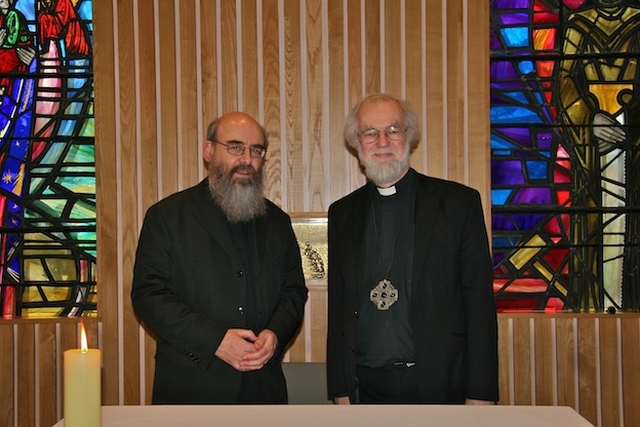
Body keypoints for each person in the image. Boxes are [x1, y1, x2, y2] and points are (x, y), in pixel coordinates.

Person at [326, 93, 498, 404]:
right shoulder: (342, 214)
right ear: (356, 142)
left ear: (409, 136)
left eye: (393, 130)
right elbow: (338, 308)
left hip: (440, 384)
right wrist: (339, 389)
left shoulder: (458, 204)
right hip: (366, 387)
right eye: (370, 132)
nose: (382, 141)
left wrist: (481, 394)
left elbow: (480, 307)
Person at [132, 112, 308, 404]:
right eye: (235, 147)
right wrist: (215, 341)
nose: (246, 159)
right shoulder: (167, 217)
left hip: (263, 385)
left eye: (256, 150)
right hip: (193, 386)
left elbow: (293, 292)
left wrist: (275, 335)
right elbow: (148, 296)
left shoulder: (277, 221)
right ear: (209, 150)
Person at [556, 0, 640, 311]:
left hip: (632, 142)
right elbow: (564, 82)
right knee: (593, 223)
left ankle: (628, 301)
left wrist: (630, 122)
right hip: (592, 147)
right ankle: (592, 303)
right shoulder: (579, 23)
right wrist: (590, 118)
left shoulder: (637, 21)